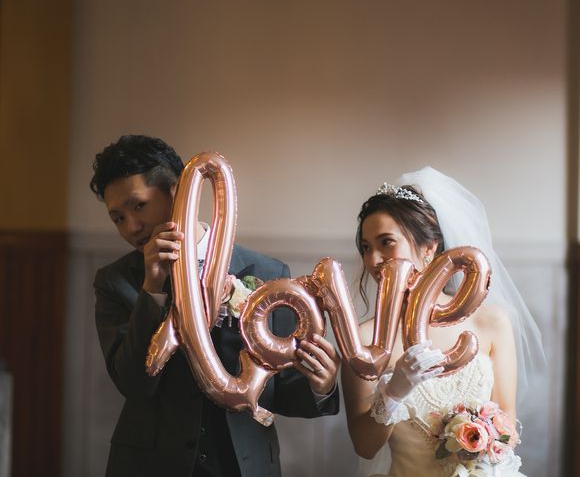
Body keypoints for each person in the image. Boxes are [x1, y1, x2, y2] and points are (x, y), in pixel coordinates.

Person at [90, 134, 340, 477]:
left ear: (178, 192)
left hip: (245, 465)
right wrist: (152, 288)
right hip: (152, 465)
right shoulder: (114, 281)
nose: (131, 228)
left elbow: (283, 391)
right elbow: (133, 385)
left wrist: (322, 385)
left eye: (139, 206)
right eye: (118, 218)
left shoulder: (268, 273)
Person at [341, 167, 544, 477]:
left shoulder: (492, 322)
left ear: (429, 246)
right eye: (366, 248)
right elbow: (364, 446)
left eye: (386, 242)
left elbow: (508, 425)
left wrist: (482, 448)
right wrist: (393, 392)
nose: (373, 260)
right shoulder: (363, 340)